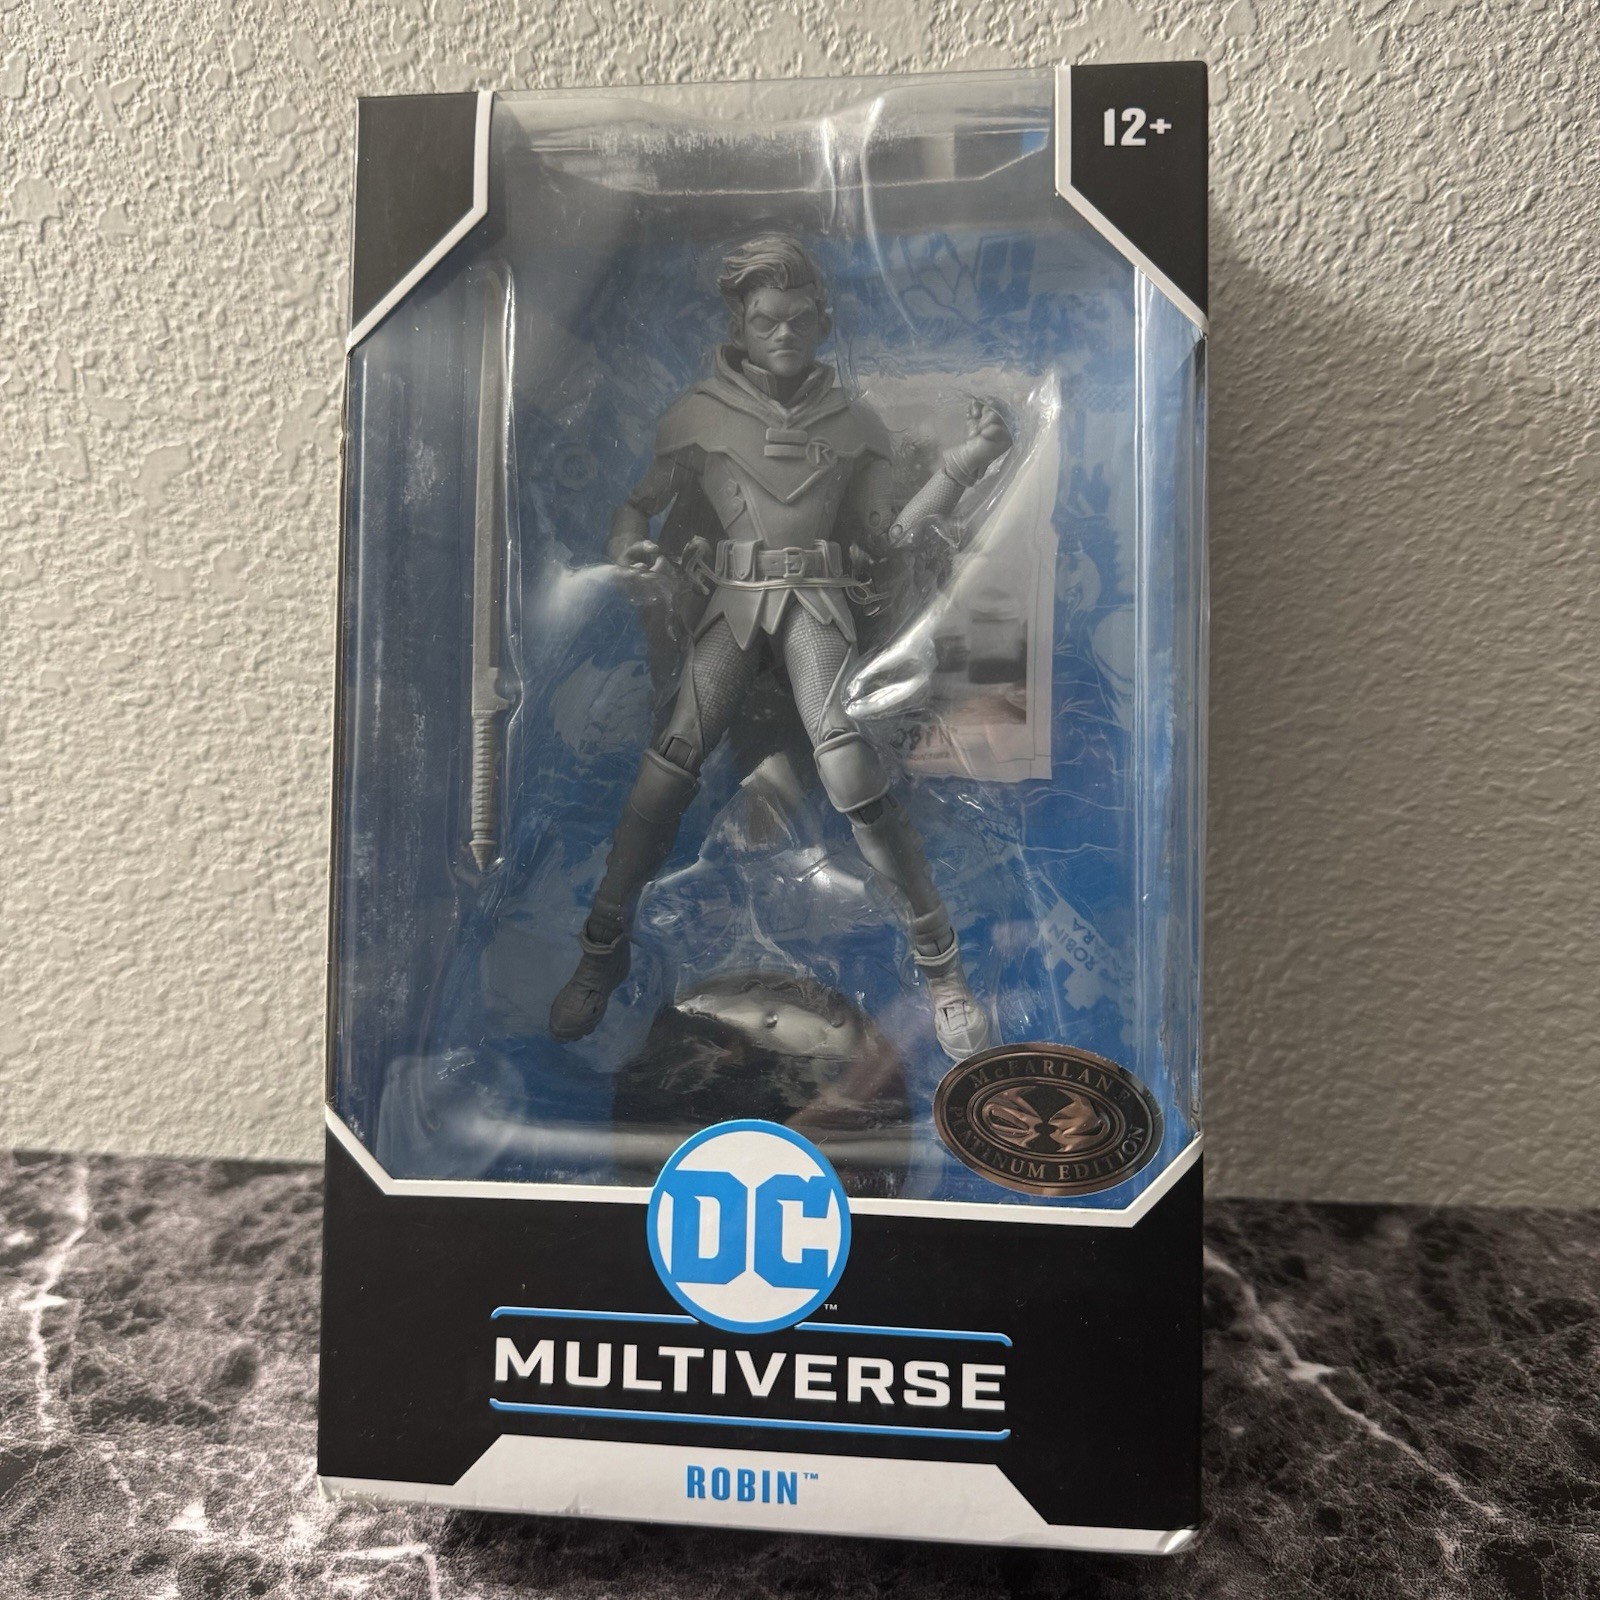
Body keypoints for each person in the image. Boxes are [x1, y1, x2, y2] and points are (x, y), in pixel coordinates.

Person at [550, 233, 1012, 1060]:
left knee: (852, 771)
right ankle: (602, 948)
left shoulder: (855, 425)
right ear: (739, 322)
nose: (783, 333)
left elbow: (886, 537)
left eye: (798, 317)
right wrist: (629, 550)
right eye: (765, 319)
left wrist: (966, 464)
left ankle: (941, 971)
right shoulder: (699, 414)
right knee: (666, 768)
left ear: (822, 320)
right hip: (730, 605)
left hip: (817, 607)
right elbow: (636, 505)